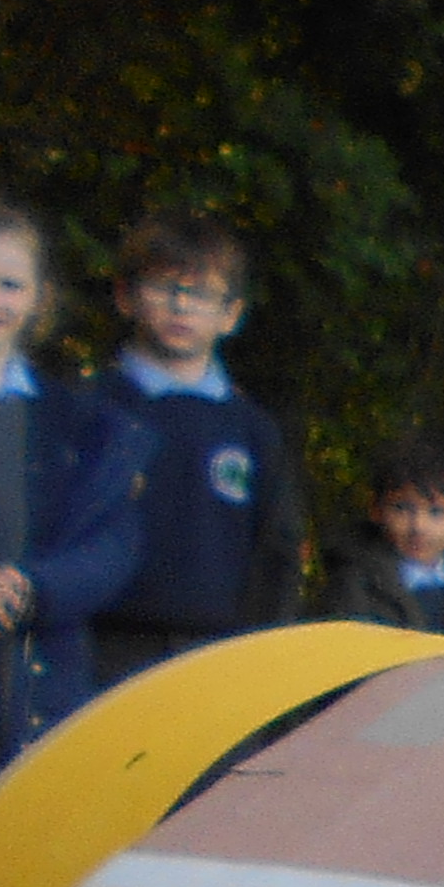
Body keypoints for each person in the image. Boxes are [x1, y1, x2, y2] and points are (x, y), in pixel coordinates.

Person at [0, 191, 146, 844]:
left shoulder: (82, 421)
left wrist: (34, 589)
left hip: (38, 681)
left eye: (9, 285)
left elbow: (114, 543)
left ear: (39, 296)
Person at [91, 210, 306, 674]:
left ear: (231, 314)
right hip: (104, 650)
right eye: (164, 287)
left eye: (202, 294)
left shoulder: (252, 430)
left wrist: (261, 654)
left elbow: (277, 554)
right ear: (125, 296)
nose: (182, 306)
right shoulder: (90, 408)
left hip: (219, 656)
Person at [325, 435, 444, 639]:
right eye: (401, 508)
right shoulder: (353, 586)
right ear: (376, 509)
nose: (419, 526)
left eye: (436, 512)